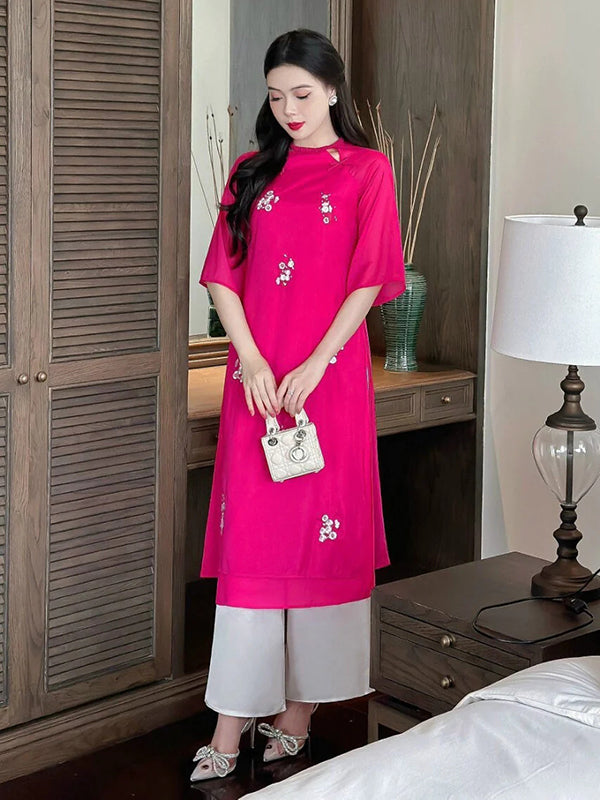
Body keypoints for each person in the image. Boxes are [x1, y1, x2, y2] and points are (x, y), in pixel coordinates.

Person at [191, 28, 405, 782]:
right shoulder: (252, 171)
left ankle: (298, 717)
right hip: (256, 386)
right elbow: (222, 275)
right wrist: (249, 357)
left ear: (333, 91)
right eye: (277, 96)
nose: (289, 109)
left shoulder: (367, 171)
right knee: (252, 552)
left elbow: (371, 278)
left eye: (303, 95)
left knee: (322, 546)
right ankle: (229, 728)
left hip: (328, 385)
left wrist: (317, 362)